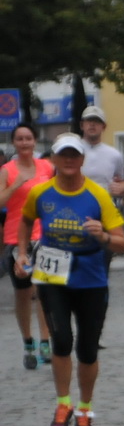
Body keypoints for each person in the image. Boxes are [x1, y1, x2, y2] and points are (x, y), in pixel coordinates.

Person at [20, 133, 124, 426]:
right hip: (54, 278)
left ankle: (85, 407)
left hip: (91, 278)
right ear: (53, 159)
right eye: (63, 155)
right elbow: (26, 219)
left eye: (74, 155)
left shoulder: (98, 195)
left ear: (82, 160)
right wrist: (22, 251)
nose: (69, 160)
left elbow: (123, 243)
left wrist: (103, 236)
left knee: (87, 349)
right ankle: (63, 403)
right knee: (62, 341)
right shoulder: (40, 193)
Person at [1, 124, 54, 369]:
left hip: (44, 236)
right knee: (23, 294)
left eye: (28, 138)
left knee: (45, 291)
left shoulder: (47, 167)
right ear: (14, 143)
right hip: (16, 238)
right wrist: (15, 184)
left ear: (34, 142)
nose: (24, 143)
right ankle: (27, 341)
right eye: (20, 139)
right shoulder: (6, 170)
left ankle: (45, 340)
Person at [77, 107, 124, 204]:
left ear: (103, 127)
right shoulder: (73, 150)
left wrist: (122, 187)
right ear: (82, 125)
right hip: (77, 204)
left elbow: (123, 180)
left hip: (105, 207)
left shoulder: (115, 154)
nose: (92, 124)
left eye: (97, 121)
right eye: (89, 120)